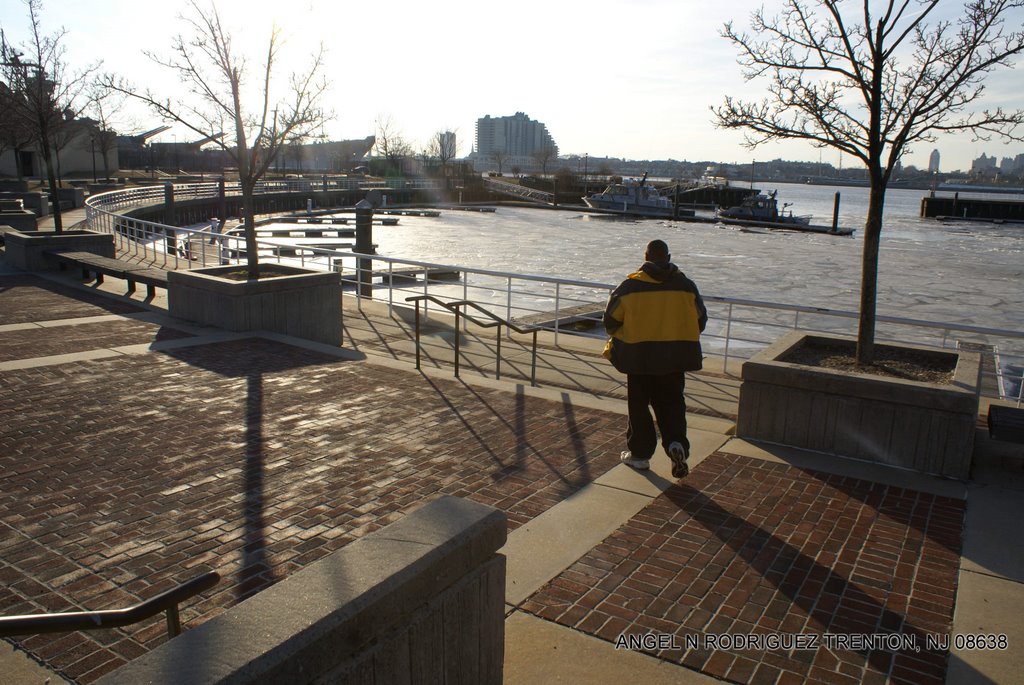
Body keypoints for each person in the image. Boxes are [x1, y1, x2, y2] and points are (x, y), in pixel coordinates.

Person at [603, 239, 707, 478]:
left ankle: (640, 455)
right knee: (672, 404)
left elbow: (609, 322)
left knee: (639, 406)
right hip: (674, 360)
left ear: (645, 257)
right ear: (668, 258)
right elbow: (700, 320)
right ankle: (675, 445)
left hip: (638, 359)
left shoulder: (629, 287)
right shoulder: (686, 286)